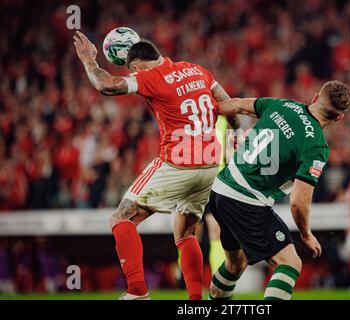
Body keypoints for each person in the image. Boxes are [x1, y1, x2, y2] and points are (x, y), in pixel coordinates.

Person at [73, 31, 233, 300]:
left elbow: (106, 85)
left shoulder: (150, 77)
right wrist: (235, 137)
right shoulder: (195, 70)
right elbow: (226, 103)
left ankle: (137, 292)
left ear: (135, 66)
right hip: (209, 165)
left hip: (178, 162)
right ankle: (195, 301)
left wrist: (89, 60)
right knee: (185, 232)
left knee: (121, 218)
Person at [207, 81, 350, 300]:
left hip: (220, 190)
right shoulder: (316, 145)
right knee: (290, 263)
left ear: (315, 97)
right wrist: (306, 234)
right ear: (339, 118)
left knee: (235, 264)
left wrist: (221, 121)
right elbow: (298, 202)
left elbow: (233, 105)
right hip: (246, 200)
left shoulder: (284, 105)